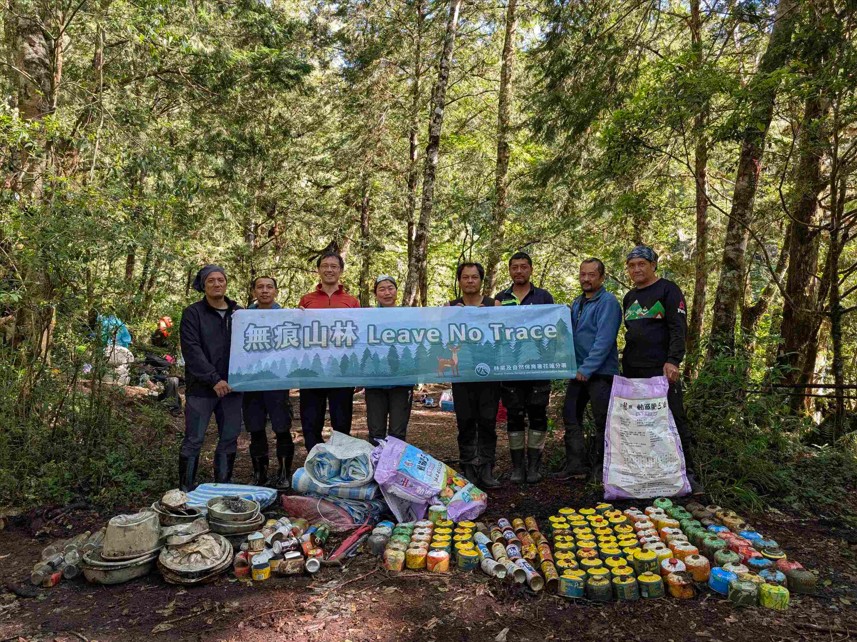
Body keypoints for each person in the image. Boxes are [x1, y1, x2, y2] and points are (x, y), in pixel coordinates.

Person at [622, 245, 702, 494]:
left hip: (662, 369)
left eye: (641, 264)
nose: (636, 269)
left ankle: (687, 475)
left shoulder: (668, 289)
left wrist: (673, 360)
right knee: (639, 423)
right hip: (633, 370)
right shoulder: (629, 298)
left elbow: (679, 328)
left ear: (653, 265)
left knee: (673, 419)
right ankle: (647, 474)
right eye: (632, 265)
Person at [554, 258, 621, 481]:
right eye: (583, 274)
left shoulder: (608, 303)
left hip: (600, 373)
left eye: (591, 274)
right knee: (571, 414)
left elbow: (604, 340)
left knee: (603, 422)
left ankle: (602, 470)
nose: (586, 279)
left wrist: (588, 368)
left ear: (602, 277)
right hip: (578, 372)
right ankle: (576, 466)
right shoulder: (578, 302)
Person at [178, 265, 242, 491]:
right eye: (211, 280)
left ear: (226, 283)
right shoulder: (193, 313)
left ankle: (222, 488)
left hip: (233, 387)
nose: (217, 284)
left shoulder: (239, 313)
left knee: (229, 438)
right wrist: (214, 379)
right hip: (201, 388)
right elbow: (192, 350)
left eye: (220, 280)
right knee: (194, 439)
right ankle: (185, 490)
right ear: (203, 285)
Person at [494, 251, 556, 484]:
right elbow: (494, 330)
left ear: (531, 269)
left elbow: (552, 330)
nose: (519, 271)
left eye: (523, 266)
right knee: (514, 416)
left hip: (539, 368)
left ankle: (534, 467)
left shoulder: (544, 297)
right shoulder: (501, 298)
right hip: (510, 369)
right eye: (515, 267)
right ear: (510, 270)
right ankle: (518, 468)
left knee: (538, 414)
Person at [297, 252, 360, 451]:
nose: (329, 270)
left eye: (334, 266)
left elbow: (359, 337)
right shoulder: (306, 300)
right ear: (318, 270)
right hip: (311, 370)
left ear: (341, 271)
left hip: (342, 371)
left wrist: (358, 372)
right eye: (325, 266)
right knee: (310, 423)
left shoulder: (352, 301)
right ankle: (315, 462)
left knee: (341, 423)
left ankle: (340, 460)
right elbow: (297, 335)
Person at [448, 262, 501, 489]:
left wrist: (484, 316)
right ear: (459, 281)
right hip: (462, 373)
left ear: (481, 280)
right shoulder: (450, 307)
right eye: (465, 277)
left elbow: (502, 337)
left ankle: (487, 467)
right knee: (465, 420)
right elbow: (441, 338)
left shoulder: (493, 305)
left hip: (489, 372)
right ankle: (468, 466)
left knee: (488, 420)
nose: (470, 281)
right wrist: (454, 316)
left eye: (474, 277)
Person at [243, 276, 295, 489]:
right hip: (251, 382)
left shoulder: (287, 317)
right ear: (254, 291)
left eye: (269, 287)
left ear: (276, 291)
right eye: (260, 287)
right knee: (255, 428)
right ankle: (260, 474)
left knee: (281, 427)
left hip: (277, 381)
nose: (264, 290)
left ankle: (284, 474)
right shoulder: (243, 317)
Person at [365, 275, 413, 444]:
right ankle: (376, 461)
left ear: (396, 291)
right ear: (375, 294)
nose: (387, 293)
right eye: (382, 289)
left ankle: (394, 461)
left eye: (390, 288)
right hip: (374, 382)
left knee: (398, 433)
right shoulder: (366, 317)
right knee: (376, 432)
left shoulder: (409, 317)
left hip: (402, 381)